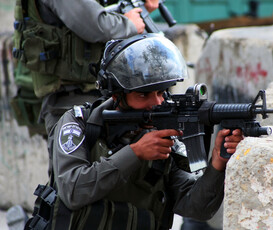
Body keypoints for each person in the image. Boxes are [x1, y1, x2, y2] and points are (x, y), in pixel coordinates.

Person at [26, 34, 244, 229]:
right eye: (143, 95)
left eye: (161, 92)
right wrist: (136, 152)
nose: (156, 102)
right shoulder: (78, 123)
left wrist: (217, 164)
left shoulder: (163, 133)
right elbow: (72, 191)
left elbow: (196, 208)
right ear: (117, 95)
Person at [12, 0, 159, 137]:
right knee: (76, 161)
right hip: (74, 99)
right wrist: (129, 24)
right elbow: (95, 24)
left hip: (98, 95)